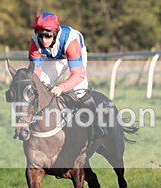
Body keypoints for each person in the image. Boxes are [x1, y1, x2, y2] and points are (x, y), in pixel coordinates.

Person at [28, 12, 107, 144]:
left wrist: (61, 87)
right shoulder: (34, 42)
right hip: (52, 58)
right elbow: (35, 74)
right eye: (40, 35)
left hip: (74, 54)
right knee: (40, 83)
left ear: (56, 32)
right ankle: (39, 124)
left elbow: (78, 74)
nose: (44, 40)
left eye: (48, 35)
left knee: (79, 89)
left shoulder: (70, 40)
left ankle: (97, 125)